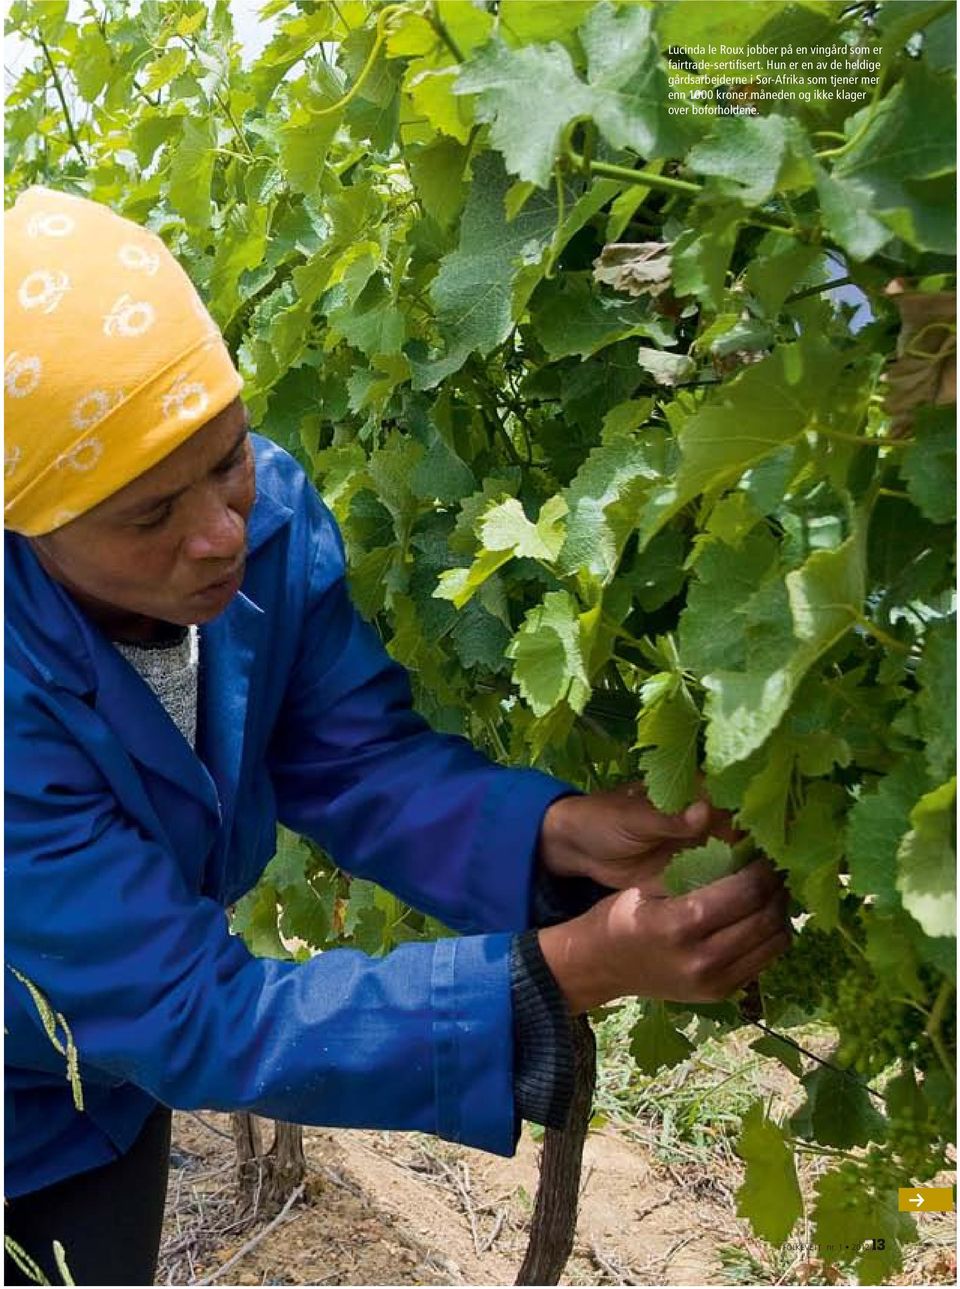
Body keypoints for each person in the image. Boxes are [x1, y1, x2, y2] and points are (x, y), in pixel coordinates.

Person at [4, 187, 790, 1286]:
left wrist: (554, 832)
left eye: (225, 454)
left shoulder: (268, 523)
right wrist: (564, 967)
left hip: (106, 1105)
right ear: (28, 525)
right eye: (148, 515)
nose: (222, 531)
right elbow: (192, 1010)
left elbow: (355, 758)